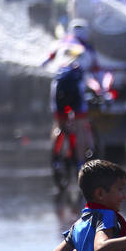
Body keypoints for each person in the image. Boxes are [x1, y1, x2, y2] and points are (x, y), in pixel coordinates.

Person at [42, 19, 103, 170]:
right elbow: (97, 74)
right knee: (81, 125)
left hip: (58, 86)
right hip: (76, 87)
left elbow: (44, 63)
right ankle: (80, 164)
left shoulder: (59, 44)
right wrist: (101, 90)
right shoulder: (88, 48)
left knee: (59, 124)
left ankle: (56, 157)